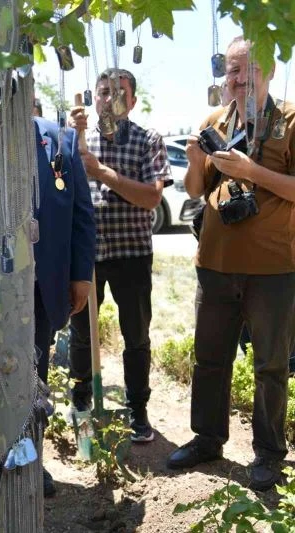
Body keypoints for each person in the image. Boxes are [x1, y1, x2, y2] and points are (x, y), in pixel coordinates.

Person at [167, 37, 295, 491]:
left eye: (244, 70)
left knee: (270, 365)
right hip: (216, 263)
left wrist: (251, 172)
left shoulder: (291, 120)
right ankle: (207, 438)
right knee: (209, 358)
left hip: (275, 268)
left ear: (270, 71)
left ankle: (268, 454)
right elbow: (196, 191)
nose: (235, 80)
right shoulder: (213, 121)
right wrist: (195, 161)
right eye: (230, 71)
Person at [67, 68, 171, 443]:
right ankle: (81, 405)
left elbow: (151, 197)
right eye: (103, 91)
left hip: (131, 254)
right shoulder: (78, 139)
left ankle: (137, 409)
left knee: (135, 334)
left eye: (118, 92)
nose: (109, 99)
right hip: (86, 256)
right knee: (81, 333)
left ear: (133, 100)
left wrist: (103, 172)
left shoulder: (148, 139)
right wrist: (72, 141)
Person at [33, 116, 97, 494]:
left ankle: (31, 461)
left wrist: (81, 275)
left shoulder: (59, 139)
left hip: (41, 287)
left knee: (34, 379)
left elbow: (81, 213)